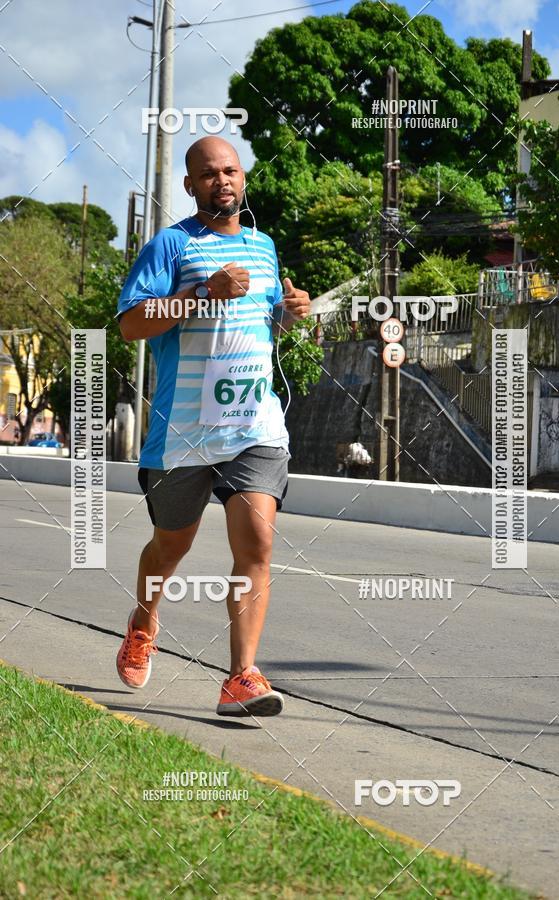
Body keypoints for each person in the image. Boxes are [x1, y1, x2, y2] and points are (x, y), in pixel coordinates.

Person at [116, 136, 311, 716]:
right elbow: (131, 325)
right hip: (182, 431)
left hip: (254, 422)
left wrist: (289, 313)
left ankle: (241, 677)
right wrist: (201, 292)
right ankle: (143, 623)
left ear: (243, 178)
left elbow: (258, 323)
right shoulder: (170, 245)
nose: (221, 181)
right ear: (190, 185)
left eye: (229, 171)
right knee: (169, 548)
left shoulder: (264, 247)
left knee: (257, 543)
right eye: (208, 173)